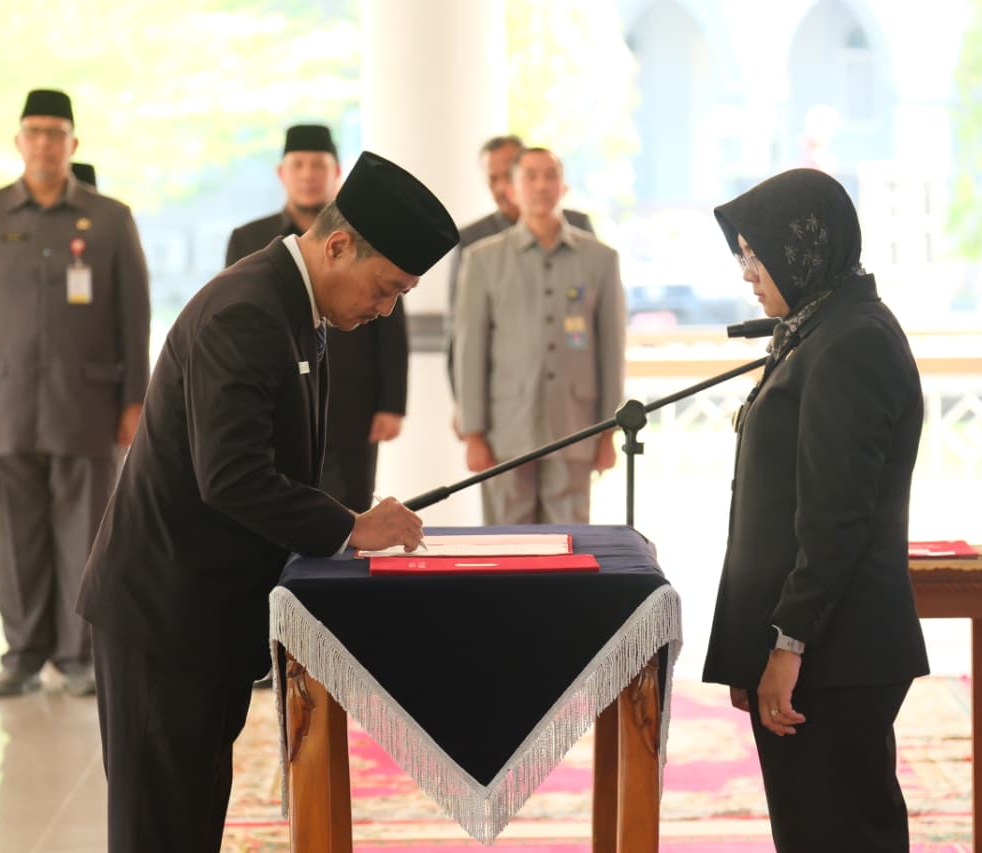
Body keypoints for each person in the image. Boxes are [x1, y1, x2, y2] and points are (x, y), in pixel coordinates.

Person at [78, 150, 457, 853]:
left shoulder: (294, 304)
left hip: (205, 615)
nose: (385, 310)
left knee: (192, 820)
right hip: (164, 612)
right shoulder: (247, 311)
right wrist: (350, 526)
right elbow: (232, 475)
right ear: (338, 246)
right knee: (159, 829)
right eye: (386, 289)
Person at [701, 168, 928, 852]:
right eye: (742, 254)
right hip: (814, 650)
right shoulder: (817, 329)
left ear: (800, 248)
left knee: (842, 833)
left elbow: (835, 521)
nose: (747, 272)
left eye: (755, 252)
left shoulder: (853, 342)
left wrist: (787, 646)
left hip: (834, 653)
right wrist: (750, 646)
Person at [0, 89, 151, 699]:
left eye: (56, 133)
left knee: (85, 537)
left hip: (87, 406)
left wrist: (135, 400)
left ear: (73, 144)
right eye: (34, 131)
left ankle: (79, 655)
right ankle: (24, 654)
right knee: (13, 541)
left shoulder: (111, 219)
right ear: (18, 141)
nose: (44, 143)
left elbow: (133, 317)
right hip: (0, 407)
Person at [226, 125, 407, 512]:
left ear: (336, 171)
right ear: (282, 173)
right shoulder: (249, 238)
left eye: (318, 166)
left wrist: (391, 403)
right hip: (279, 398)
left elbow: (390, 323)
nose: (308, 175)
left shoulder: (367, 237)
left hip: (351, 402)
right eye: (299, 165)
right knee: (283, 503)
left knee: (353, 506)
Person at [454, 147, 625, 525]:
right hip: (505, 430)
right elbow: (470, 351)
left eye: (550, 175)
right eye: (530, 176)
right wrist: (473, 433)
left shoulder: (600, 259)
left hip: (576, 426)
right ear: (512, 189)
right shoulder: (482, 259)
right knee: (507, 542)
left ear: (564, 187)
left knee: (570, 538)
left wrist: (608, 431)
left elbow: (611, 351)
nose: (541, 185)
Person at [446, 134, 594, 399]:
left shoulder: (578, 229)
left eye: (509, 176)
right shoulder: (472, 242)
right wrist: (463, 405)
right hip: (503, 397)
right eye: (493, 179)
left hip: (571, 393)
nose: (502, 187)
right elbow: (460, 333)